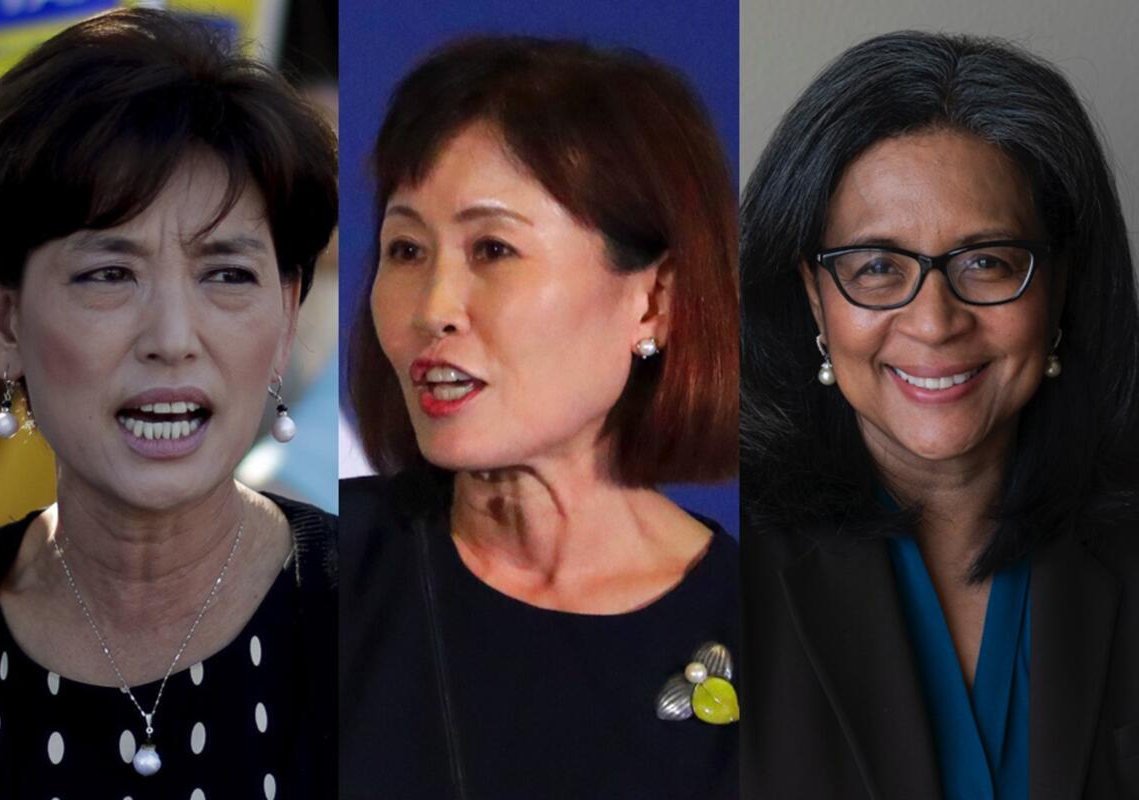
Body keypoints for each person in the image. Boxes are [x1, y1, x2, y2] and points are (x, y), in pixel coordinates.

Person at [0, 9, 338, 798]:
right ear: (3, 319)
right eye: (107, 274)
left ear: (287, 313)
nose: (172, 338)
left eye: (226, 274)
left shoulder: (385, 623)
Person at [337, 37, 740, 799]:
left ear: (655, 301)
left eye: (493, 248)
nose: (432, 310)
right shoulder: (311, 569)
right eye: (405, 249)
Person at [739, 31, 1139, 798]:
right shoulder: (701, 567)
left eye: (986, 261)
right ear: (812, 297)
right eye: (878, 267)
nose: (934, 321)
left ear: (1057, 287)